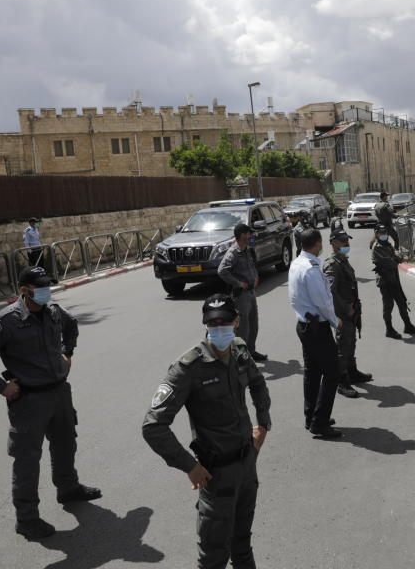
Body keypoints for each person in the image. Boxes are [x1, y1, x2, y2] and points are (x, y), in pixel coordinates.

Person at [0, 266, 100, 540]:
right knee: (27, 460)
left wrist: (68, 353)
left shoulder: (52, 311)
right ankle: (27, 519)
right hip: (28, 401)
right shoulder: (6, 321)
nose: (46, 291)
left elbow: (71, 325)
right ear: (24, 291)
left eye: (47, 286)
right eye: (40, 287)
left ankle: (68, 488)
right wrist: (1, 387)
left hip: (59, 392)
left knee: (65, 443)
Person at [142, 293, 271, 569]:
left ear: (237, 322)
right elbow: (153, 426)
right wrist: (189, 466)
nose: (219, 329)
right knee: (213, 557)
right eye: (213, 325)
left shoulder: (239, 351)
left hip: (247, 465)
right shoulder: (188, 368)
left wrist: (264, 424)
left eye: (225, 323)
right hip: (217, 475)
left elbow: (258, 384)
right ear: (205, 325)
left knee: (242, 545)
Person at [287, 228, 342, 439]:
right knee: (332, 373)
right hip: (317, 328)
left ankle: (312, 416)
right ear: (318, 244)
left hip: (305, 325)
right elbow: (323, 302)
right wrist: (336, 322)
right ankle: (319, 422)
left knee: (312, 373)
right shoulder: (310, 269)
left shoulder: (297, 263)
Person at [323, 227, 372, 399]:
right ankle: (342, 381)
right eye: (343, 241)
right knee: (342, 347)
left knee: (351, 343)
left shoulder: (342, 260)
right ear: (334, 243)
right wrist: (345, 309)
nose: (347, 243)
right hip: (342, 312)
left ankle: (352, 372)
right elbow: (331, 293)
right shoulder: (332, 264)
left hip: (351, 310)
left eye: (347, 240)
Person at [217, 223, 266, 361]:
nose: (250, 236)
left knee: (254, 325)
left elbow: (252, 265)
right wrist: (238, 283)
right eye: (248, 234)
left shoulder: (247, 250)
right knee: (243, 328)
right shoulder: (233, 252)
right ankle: (240, 357)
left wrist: (256, 276)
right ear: (242, 235)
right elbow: (222, 270)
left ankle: (251, 351)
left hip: (251, 293)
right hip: (241, 295)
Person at [372, 223, 415, 339]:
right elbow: (389, 262)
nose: (384, 235)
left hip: (393, 278)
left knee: (402, 302)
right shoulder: (378, 247)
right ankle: (389, 329)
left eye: (385, 233)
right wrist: (397, 260)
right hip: (385, 280)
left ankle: (408, 325)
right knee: (388, 305)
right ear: (377, 234)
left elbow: (394, 257)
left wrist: (397, 258)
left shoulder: (387, 244)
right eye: (381, 233)